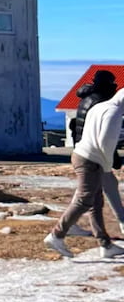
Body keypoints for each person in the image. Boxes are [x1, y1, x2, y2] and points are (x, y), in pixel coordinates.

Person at [45, 85, 124, 259]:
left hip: (82, 154)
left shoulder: (99, 106)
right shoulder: (114, 112)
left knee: (95, 203)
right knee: (84, 200)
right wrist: (106, 166)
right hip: (91, 160)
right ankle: (57, 234)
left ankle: (105, 245)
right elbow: (106, 144)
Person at [68, 70, 124, 234]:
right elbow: (102, 136)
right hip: (93, 154)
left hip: (83, 149)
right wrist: (112, 157)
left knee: (89, 190)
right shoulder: (100, 102)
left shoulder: (87, 98)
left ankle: (71, 227)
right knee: (101, 189)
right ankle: (64, 229)